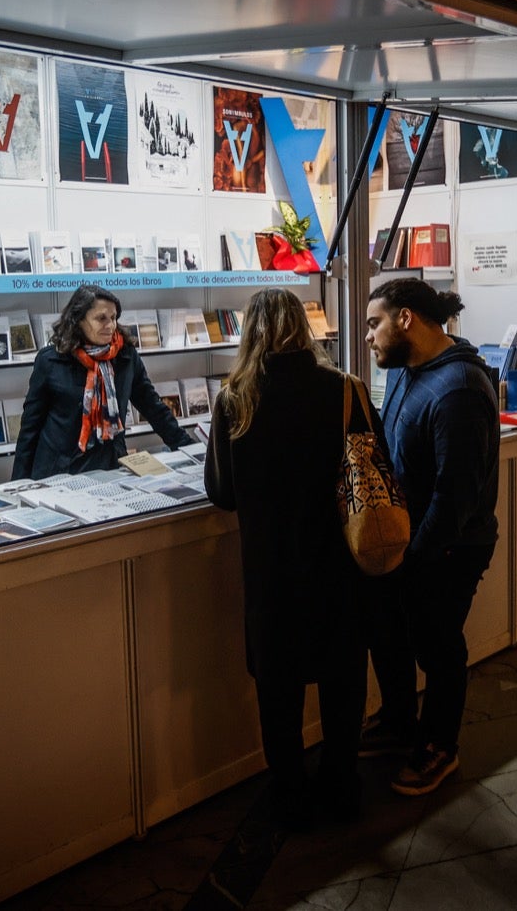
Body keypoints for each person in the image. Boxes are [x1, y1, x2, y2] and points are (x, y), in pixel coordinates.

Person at [204, 288, 371, 828]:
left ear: (250, 331)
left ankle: (289, 793)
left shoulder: (236, 399)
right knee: (342, 679)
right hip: (340, 565)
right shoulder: (345, 389)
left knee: (279, 691)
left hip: (272, 572)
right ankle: (341, 785)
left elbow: (222, 493)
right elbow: (372, 469)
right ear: (304, 327)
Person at [359, 278, 499, 796]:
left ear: (405, 319)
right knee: (391, 635)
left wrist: (415, 557)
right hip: (406, 540)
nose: (369, 336)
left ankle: (440, 746)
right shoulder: (407, 372)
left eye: (374, 323)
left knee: (439, 647)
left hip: (448, 548)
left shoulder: (459, 387)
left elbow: (455, 496)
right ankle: (399, 722)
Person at [12, 285, 190, 479]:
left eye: (113, 318)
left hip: (111, 468)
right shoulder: (51, 360)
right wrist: (18, 484)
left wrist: (189, 449)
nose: (110, 326)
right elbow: (30, 427)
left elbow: (153, 408)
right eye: (101, 319)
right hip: (59, 472)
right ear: (78, 320)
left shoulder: (125, 357)